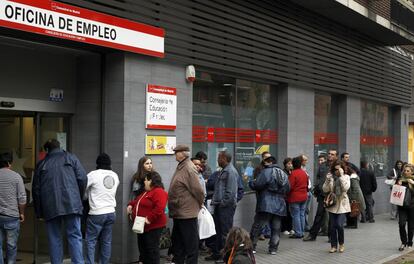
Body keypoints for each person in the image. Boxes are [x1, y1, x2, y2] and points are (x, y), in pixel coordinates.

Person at [32, 139, 87, 264]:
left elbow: (36, 190)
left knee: (54, 238)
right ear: (60, 146)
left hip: (50, 206)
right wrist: (77, 197)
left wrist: (39, 212)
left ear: (47, 150)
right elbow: (82, 178)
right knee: (75, 236)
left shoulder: (41, 164)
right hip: (72, 204)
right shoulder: (71, 158)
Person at [168, 145, 205, 264]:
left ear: (183, 154)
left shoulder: (189, 168)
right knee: (178, 243)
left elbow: (198, 190)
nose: (175, 154)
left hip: (187, 213)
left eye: (176, 152)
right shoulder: (182, 166)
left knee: (190, 245)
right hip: (180, 212)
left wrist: (199, 204)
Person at [249, 156, 290, 254]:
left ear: (270, 162)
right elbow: (288, 189)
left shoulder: (266, 172)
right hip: (280, 204)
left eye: (265, 162)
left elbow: (257, 184)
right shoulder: (284, 174)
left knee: (258, 226)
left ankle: (251, 247)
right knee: (276, 228)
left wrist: (251, 182)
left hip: (266, 203)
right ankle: (273, 249)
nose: (263, 165)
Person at [85, 153, 119, 264]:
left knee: (90, 241)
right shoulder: (115, 175)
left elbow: (83, 188)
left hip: (97, 213)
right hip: (111, 212)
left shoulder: (93, 175)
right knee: (106, 242)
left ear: (97, 163)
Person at [206, 151, 239, 263]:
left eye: (219, 158)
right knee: (219, 232)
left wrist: (222, 204)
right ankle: (218, 254)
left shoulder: (230, 172)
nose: (217, 160)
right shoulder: (224, 171)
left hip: (225, 208)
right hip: (220, 206)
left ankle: (226, 258)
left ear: (224, 159)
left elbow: (230, 193)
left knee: (226, 233)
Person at [127, 171, 168, 263]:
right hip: (142, 226)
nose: (144, 182)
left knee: (151, 250)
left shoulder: (159, 191)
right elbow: (137, 201)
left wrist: (148, 218)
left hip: (153, 227)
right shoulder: (147, 192)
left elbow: (159, 208)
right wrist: (130, 205)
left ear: (151, 181)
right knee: (143, 249)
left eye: (145, 180)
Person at [303, 150, 337, 242]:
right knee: (319, 215)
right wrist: (317, 187)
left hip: (333, 195)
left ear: (336, 156)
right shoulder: (323, 165)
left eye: (332, 154)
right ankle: (312, 235)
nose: (330, 155)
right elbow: (318, 177)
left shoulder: (338, 166)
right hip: (322, 194)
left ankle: (331, 236)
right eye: (329, 154)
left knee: (332, 216)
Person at [0, 152, 26, 264]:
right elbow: (22, 198)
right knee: (11, 246)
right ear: (9, 163)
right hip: (12, 216)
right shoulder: (16, 176)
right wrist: (22, 213)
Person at [323, 160, 350, 253]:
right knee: (332, 226)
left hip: (342, 203)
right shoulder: (331, 178)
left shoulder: (346, 177)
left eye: (339, 169)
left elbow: (346, 188)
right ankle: (333, 246)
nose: (337, 171)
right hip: (333, 203)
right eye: (335, 169)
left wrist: (341, 176)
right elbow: (325, 189)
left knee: (339, 225)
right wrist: (327, 180)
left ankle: (341, 244)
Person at [287, 156, 308, 239]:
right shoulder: (303, 172)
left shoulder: (293, 173)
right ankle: (302, 231)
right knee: (302, 214)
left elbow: (290, 186)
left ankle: (298, 233)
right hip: (304, 196)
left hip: (295, 197)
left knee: (296, 215)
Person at [396, 164, 414, 251]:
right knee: (401, 224)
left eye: (408, 171)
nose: (406, 172)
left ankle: (410, 242)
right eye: (405, 170)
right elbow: (395, 192)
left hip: (412, 206)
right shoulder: (400, 180)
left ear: (412, 172)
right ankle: (403, 242)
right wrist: (397, 186)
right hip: (402, 206)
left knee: (411, 226)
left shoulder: (413, 180)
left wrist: (412, 183)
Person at [281, 158, 293, 235]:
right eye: (288, 164)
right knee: (285, 212)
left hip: (290, 195)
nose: (290, 165)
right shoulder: (283, 172)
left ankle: (290, 228)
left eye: (291, 163)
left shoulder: (292, 172)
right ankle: (284, 228)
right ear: (285, 165)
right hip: (284, 195)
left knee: (290, 212)